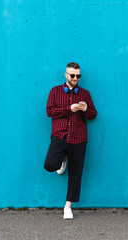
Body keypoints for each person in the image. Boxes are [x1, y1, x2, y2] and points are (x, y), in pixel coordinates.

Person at [44, 62, 97, 219]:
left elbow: (93, 114)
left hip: (79, 137)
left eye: (78, 76)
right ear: (66, 75)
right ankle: (62, 159)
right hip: (60, 134)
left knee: (76, 173)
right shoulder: (55, 91)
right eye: (72, 75)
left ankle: (68, 206)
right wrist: (69, 109)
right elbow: (49, 111)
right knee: (49, 165)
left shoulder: (85, 94)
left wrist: (85, 109)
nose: (75, 78)